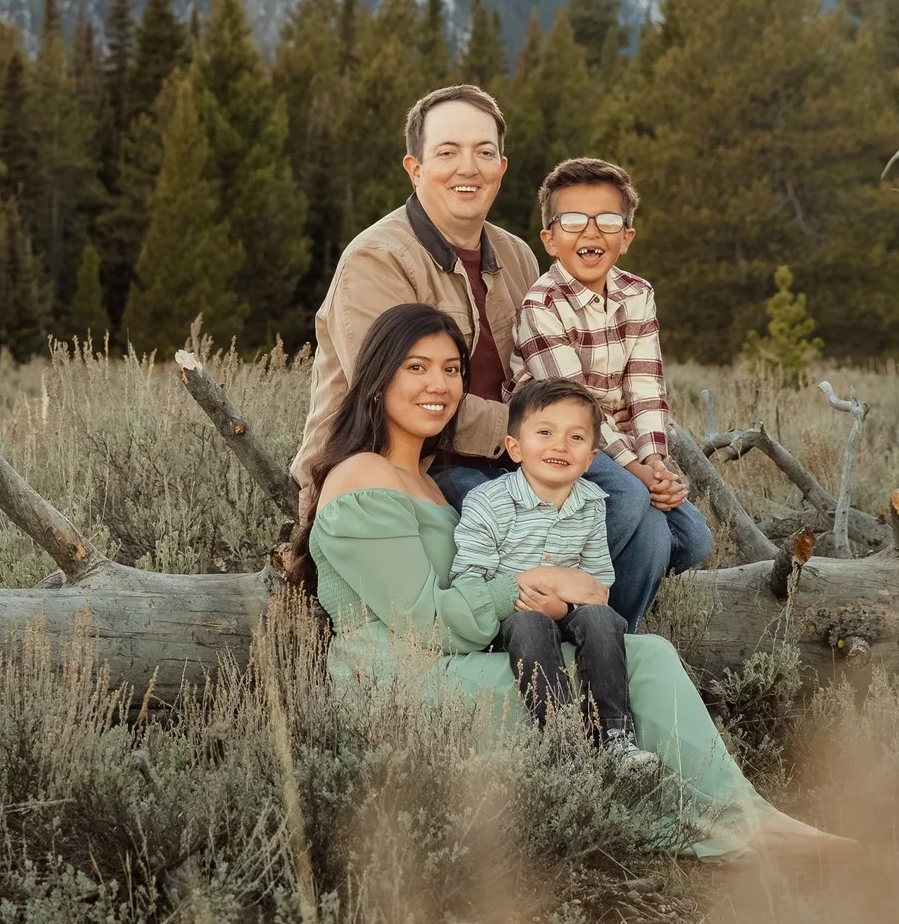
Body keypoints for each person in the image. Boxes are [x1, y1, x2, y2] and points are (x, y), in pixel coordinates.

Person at [305, 302, 837, 857]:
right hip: (403, 691)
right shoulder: (363, 475)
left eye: (451, 368)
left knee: (644, 655)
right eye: (415, 367)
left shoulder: (426, 483)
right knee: (632, 669)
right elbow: (424, 623)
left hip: (456, 664)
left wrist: (558, 605)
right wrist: (535, 579)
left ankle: (739, 818)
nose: (438, 383)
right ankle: (716, 830)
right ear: (377, 377)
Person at [289, 85, 536, 525]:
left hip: (511, 459)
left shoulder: (518, 256)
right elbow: (402, 399)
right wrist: (532, 431)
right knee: (549, 527)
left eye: (483, 152)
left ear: (501, 167)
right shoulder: (377, 260)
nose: (468, 168)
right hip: (406, 468)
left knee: (675, 530)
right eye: (447, 152)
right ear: (415, 168)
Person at [508, 157, 713, 627]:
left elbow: (646, 386)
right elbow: (577, 409)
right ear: (550, 238)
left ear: (627, 236)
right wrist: (636, 470)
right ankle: (554, 588)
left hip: (622, 447)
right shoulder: (541, 305)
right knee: (629, 497)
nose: (591, 234)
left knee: (686, 539)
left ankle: (607, 633)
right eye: (573, 221)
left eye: (608, 221)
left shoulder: (637, 293)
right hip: (562, 440)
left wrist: (656, 461)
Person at [451, 378, 658, 774]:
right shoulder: (488, 502)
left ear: (590, 457)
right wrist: (528, 596)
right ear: (515, 447)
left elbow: (598, 588)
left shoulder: (592, 505)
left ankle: (615, 737)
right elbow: (468, 580)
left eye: (575, 437)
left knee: (603, 619)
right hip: (506, 619)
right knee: (529, 624)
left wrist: (563, 608)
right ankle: (562, 741)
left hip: (565, 613)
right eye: (544, 432)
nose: (560, 445)